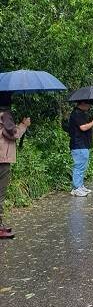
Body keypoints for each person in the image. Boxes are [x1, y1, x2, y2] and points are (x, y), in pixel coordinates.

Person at [0, 93, 30, 238]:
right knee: (0, 193)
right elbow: (13, 133)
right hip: (2, 159)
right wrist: (24, 125)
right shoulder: (4, 115)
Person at [69, 101, 93, 197]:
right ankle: (76, 188)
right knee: (79, 166)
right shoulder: (76, 113)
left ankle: (80, 185)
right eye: (89, 104)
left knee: (83, 166)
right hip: (78, 145)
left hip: (83, 144)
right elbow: (83, 128)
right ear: (82, 103)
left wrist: (92, 123)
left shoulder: (82, 113)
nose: (89, 106)